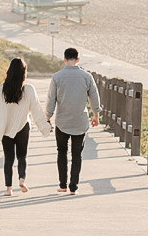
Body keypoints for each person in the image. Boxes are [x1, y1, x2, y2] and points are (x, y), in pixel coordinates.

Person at [0, 58, 51, 196]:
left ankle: (9, 189)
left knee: (8, 158)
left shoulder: (2, 89)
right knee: (22, 156)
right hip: (23, 127)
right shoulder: (29, 89)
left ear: (10, 71)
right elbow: (37, 112)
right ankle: (21, 180)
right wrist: (46, 127)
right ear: (23, 73)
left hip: (5, 129)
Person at [45, 47, 101, 195]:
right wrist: (96, 115)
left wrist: (47, 117)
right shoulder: (86, 76)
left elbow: (51, 99)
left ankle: (62, 185)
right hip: (80, 122)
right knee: (77, 155)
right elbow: (94, 97)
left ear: (64, 59)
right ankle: (73, 188)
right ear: (78, 59)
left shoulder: (57, 77)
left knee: (61, 152)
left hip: (62, 121)